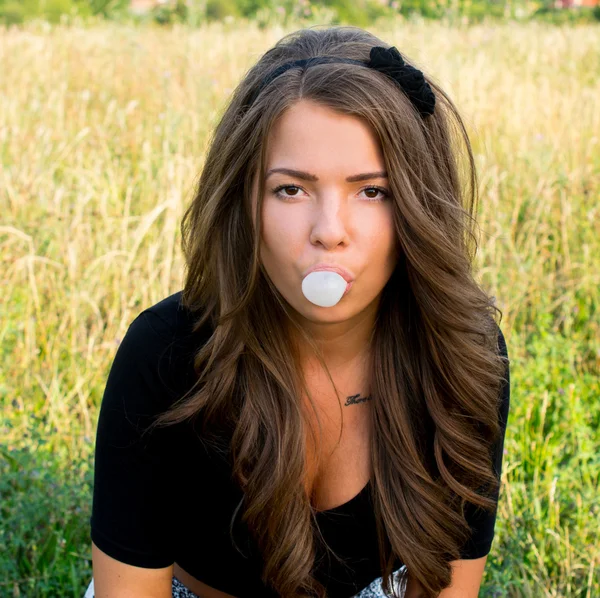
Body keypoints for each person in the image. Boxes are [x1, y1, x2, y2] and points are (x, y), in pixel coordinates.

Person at [88, 25, 511, 598]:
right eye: (291, 190)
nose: (329, 232)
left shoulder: (462, 351)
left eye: (372, 191)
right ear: (244, 202)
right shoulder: (165, 356)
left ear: (416, 204)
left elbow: (446, 587)